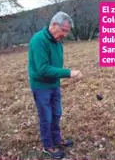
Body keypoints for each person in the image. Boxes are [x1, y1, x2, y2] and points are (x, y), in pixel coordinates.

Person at [27, 11, 82, 159]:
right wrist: (69, 72)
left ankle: (57, 139)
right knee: (46, 117)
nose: (64, 34)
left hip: (54, 85)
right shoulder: (39, 40)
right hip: (41, 86)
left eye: (67, 32)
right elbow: (43, 69)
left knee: (57, 113)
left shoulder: (57, 42)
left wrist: (62, 74)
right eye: (63, 30)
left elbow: (55, 65)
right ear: (53, 25)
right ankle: (48, 146)